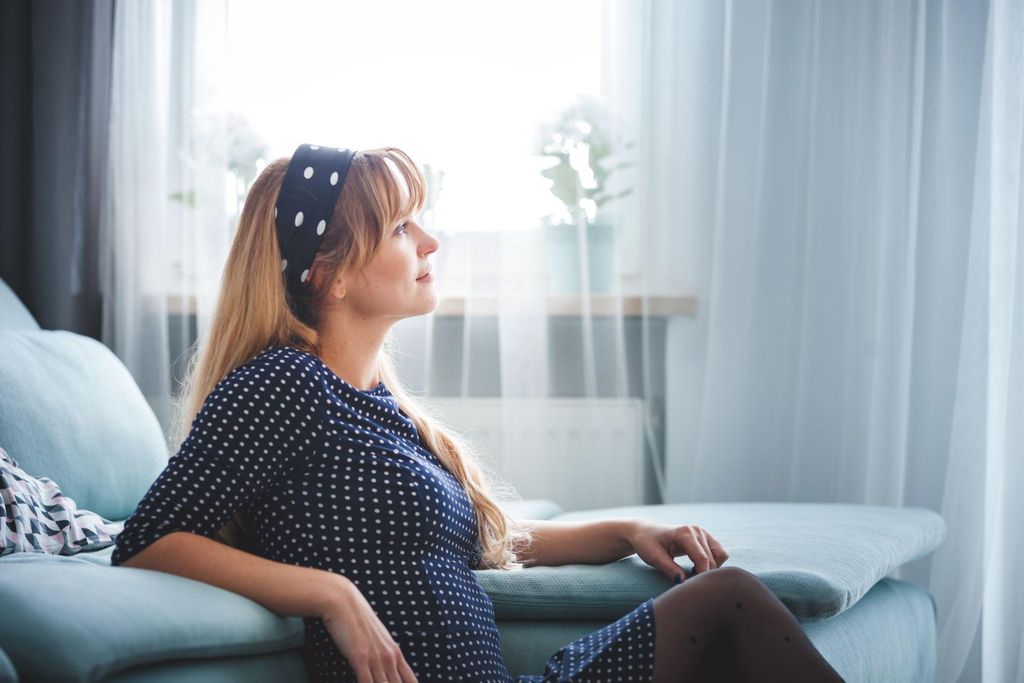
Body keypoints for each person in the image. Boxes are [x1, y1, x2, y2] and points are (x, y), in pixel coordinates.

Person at [110, 144, 844, 683]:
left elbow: (494, 541)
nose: (430, 242)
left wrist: (627, 529)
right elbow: (149, 537)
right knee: (731, 603)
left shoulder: (382, 412)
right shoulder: (286, 384)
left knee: (726, 602)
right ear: (326, 275)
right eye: (402, 228)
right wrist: (330, 593)